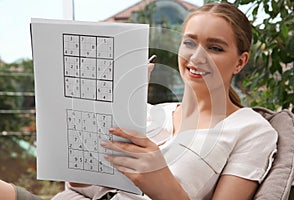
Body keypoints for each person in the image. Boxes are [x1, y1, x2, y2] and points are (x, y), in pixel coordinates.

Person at [53, 2, 277, 200]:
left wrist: (162, 185)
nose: (196, 57)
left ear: (240, 62)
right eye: (189, 43)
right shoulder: (150, 113)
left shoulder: (252, 131)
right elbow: (85, 186)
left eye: (215, 48)